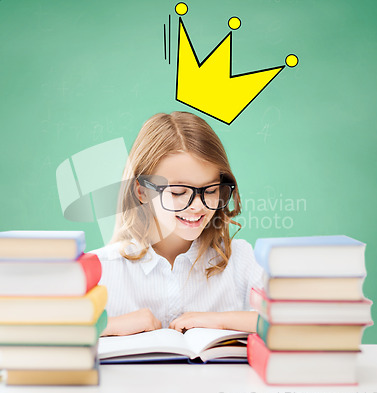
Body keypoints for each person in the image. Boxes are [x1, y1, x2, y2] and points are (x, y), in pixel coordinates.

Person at [91, 111, 263, 336]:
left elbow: (290, 321)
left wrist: (221, 321)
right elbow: (47, 333)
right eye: (179, 192)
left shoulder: (240, 260)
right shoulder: (103, 269)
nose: (198, 206)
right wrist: (108, 326)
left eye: (210, 190)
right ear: (142, 192)